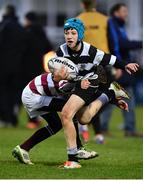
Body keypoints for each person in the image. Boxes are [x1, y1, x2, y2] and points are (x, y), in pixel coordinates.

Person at [56, 18, 139, 168]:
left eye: (73, 33)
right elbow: (58, 77)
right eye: (66, 33)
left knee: (66, 114)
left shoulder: (90, 50)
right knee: (84, 119)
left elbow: (109, 58)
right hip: (75, 84)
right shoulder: (61, 51)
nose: (69, 36)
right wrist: (59, 77)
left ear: (80, 35)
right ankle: (110, 93)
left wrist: (125, 64)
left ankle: (73, 159)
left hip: (90, 82)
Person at [12, 64, 98, 166]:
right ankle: (78, 149)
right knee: (70, 110)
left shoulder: (65, 75)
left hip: (34, 94)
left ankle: (23, 148)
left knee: (56, 125)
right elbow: (65, 87)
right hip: (33, 96)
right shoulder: (62, 79)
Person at [100, 3, 143, 137]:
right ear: (116, 13)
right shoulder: (112, 24)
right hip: (118, 67)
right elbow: (118, 45)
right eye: (124, 11)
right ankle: (106, 127)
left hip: (121, 66)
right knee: (113, 96)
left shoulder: (118, 26)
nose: (126, 14)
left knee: (120, 96)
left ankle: (124, 128)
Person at [77, 0, 109, 143]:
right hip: (103, 63)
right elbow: (112, 41)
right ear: (94, 4)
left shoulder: (78, 20)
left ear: (82, 4)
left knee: (89, 97)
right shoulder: (105, 20)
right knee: (100, 97)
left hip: (84, 64)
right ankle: (97, 132)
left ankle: (85, 125)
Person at [22, 11, 53, 129]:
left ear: (28, 19)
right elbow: (48, 47)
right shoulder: (41, 31)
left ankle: (32, 120)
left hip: (25, 66)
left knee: (28, 93)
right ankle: (37, 118)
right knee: (37, 92)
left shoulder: (25, 31)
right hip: (37, 65)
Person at [0, 5, 27, 127]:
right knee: (14, 92)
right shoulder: (21, 28)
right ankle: (12, 118)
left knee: (3, 92)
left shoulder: (3, 26)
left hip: (3, 65)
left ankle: (5, 118)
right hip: (18, 66)